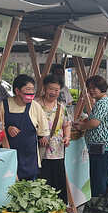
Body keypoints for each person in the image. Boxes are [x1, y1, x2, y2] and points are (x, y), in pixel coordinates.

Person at [73, 75, 108, 198]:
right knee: (105, 177)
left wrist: (81, 127)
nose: (91, 90)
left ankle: (99, 206)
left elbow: (94, 123)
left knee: (98, 178)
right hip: (105, 146)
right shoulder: (104, 101)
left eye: (94, 87)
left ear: (101, 87)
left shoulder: (101, 103)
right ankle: (107, 204)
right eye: (89, 88)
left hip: (100, 147)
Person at [3, 74, 49, 181]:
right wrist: (7, 128)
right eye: (28, 89)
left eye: (33, 89)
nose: (31, 93)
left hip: (30, 157)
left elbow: (43, 131)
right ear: (17, 91)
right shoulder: (4, 105)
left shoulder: (35, 106)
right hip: (9, 155)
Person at [37, 74, 71, 203]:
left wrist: (67, 137)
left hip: (58, 152)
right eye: (51, 89)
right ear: (45, 88)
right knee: (43, 181)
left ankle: (59, 210)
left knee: (57, 182)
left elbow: (66, 124)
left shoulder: (61, 106)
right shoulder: (36, 104)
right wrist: (39, 136)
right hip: (41, 151)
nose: (54, 93)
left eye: (57, 90)